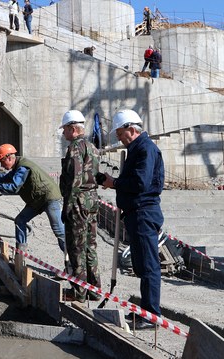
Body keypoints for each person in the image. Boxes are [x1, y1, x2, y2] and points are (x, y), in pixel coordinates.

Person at [99, 109, 164, 329]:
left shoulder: (145, 149)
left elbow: (140, 183)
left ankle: (152, 316)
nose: (118, 137)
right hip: (136, 213)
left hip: (144, 213)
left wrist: (115, 184)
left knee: (148, 266)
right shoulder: (135, 150)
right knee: (141, 265)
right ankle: (146, 311)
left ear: (131, 129)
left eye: (119, 132)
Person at [0, 144, 66, 253]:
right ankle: (21, 253)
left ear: (9, 158)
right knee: (20, 220)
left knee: (59, 230)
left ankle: (71, 260)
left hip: (49, 197)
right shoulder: (17, 167)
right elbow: (6, 177)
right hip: (37, 199)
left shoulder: (23, 167)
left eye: (2, 161)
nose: (1, 165)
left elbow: (14, 187)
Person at [59, 110, 102, 303]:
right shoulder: (92, 147)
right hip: (92, 200)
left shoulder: (75, 148)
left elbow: (75, 179)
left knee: (76, 247)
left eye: (65, 130)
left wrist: (67, 206)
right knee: (90, 246)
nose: (63, 134)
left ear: (73, 129)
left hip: (78, 201)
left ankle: (79, 292)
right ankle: (94, 289)